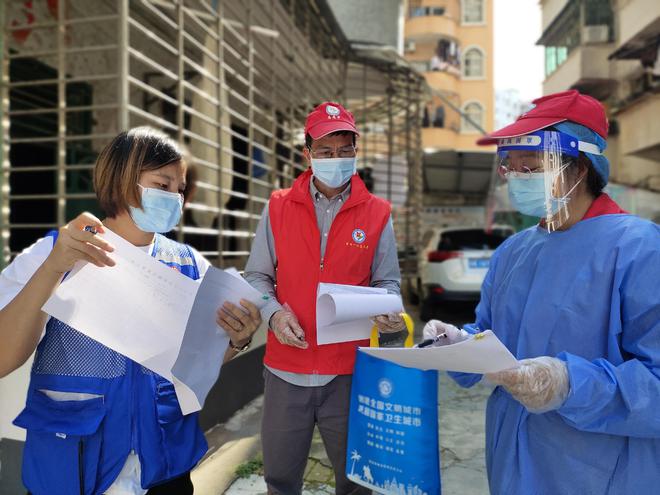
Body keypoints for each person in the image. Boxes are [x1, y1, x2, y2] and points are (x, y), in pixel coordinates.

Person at [0, 127, 262, 495]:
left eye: (180, 188)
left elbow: (191, 366)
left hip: (164, 467)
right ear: (122, 181)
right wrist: (52, 270)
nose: (175, 198)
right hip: (74, 468)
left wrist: (237, 339)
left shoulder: (189, 265)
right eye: (162, 184)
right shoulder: (59, 251)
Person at [423, 89, 660, 494]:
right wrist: (459, 344)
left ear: (579, 168)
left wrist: (568, 384)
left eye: (530, 167)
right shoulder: (514, 250)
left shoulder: (640, 249)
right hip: (511, 459)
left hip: (597, 471)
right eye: (508, 167)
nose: (515, 178)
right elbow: (491, 339)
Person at [245, 102, 406, 495]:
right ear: (308, 155)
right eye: (326, 152)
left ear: (356, 152)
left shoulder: (378, 213)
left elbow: (389, 285)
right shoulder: (279, 206)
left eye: (345, 151)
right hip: (286, 369)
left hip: (349, 373)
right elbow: (256, 276)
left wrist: (387, 313)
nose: (336, 159)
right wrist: (274, 315)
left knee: (356, 482)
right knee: (280, 480)